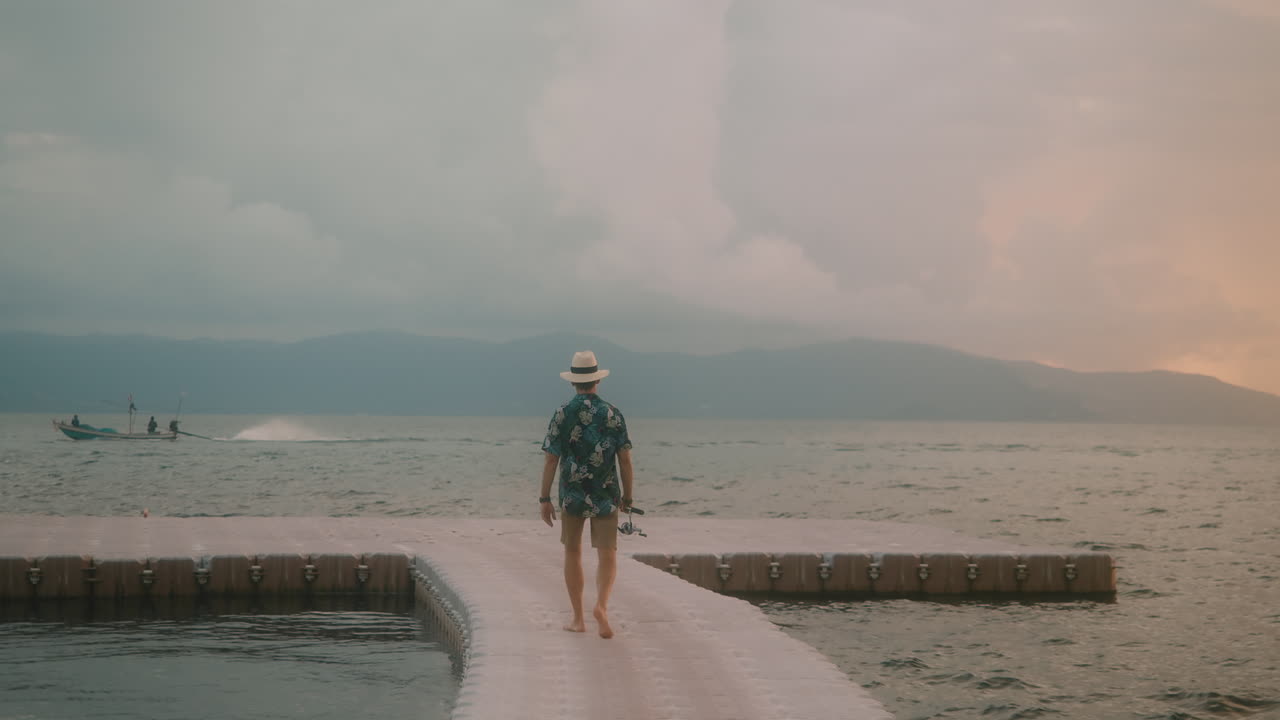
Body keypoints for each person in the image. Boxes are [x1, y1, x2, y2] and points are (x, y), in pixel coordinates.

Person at [540, 350, 634, 639]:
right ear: (597, 380)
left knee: (572, 552)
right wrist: (628, 497)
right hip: (606, 492)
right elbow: (625, 460)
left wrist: (544, 499)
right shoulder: (612, 413)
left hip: (572, 493)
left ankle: (579, 618)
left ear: (573, 382)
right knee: (608, 554)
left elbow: (551, 459)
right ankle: (602, 607)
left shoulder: (562, 413)